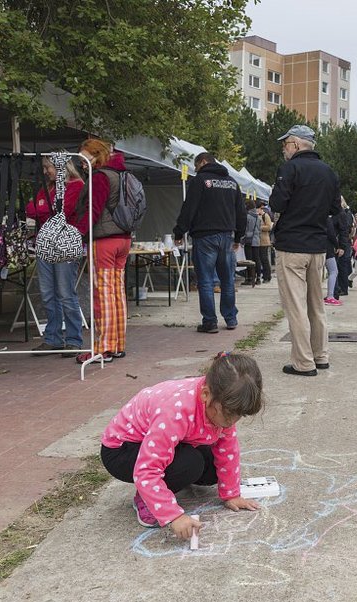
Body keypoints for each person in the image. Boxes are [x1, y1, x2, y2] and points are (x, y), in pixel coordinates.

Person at [99, 351, 263, 537]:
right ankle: (145, 499)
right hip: (122, 450)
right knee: (190, 464)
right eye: (227, 416)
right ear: (205, 395)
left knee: (210, 471)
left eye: (238, 416)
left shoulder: (220, 398)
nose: (231, 422)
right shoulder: (175, 410)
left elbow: (227, 449)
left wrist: (231, 494)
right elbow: (146, 469)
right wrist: (173, 515)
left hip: (160, 441)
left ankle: (169, 481)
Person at [269, 124, 341, 376]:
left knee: (296, 306)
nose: (284, 149)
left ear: (297, 145)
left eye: (286, 144)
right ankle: (321, 355)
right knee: (316, 305)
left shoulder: (291, 169)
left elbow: (277, 202)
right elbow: (335, 209)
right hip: (318, 247)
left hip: (292, 245)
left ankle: (303, 362)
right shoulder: (328, 172)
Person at [174, 152, 246, 334]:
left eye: (196, 166)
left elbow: (189, 207)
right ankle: (231, 318)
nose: (196, 170)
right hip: (227, 236)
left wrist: (179, 231)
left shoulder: (200, 181)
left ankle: (210, 322)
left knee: (206, 281)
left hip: (205, 237)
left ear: (203, 162)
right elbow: (241, 212)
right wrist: (238, 237)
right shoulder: (231, 182)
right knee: (227, 280)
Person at [77, 138, 133, 364]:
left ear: (95, 155)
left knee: (102, 295)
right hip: (123, 237)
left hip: (104, 239)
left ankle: (103, 347)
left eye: (84, 157)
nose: (82, 162)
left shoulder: (100, 177)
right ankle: (117, 343)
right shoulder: (121, 173)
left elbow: (93, 210)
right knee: (117, 293)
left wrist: (78, 233)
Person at [27, 156, 86, 357]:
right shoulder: (49, 188)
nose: (46, 171)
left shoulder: (77, 186)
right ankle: (53, 338)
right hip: (45, 243)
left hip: (65, 244)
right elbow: (32, 209)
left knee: (65, 293)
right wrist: (43, 208)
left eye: (48, 167)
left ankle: (73, 339)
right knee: (47, 293)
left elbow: (60, 211)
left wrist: (43, 207)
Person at [335, 199, 354, 297]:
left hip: (343, 242)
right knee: (342, 266)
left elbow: (345, 229)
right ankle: (341, 287)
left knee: (342, 266)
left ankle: (343, 288)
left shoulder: (345, 213)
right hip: (344, 242)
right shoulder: (347, 213)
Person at [324, 213, 342, 306]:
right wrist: (337, 245)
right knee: (333, 271)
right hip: (327, 247)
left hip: (313, 246)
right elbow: (331, 233)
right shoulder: (326, 217)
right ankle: (330, 296)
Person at [242, 199, 261, 283]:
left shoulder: (248, 217)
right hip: (257, 240)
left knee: (249, 260)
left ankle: (249, 278)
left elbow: (246, 229)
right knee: (256, 259)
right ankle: (258, 277)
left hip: (249, 240)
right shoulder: (258, 217)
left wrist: (242, 239)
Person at [256, 201, 273, 282]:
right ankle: (264, 275)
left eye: (257, 209)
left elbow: (269, 227)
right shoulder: (256, 216)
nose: (257, 211)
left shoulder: (265, 216)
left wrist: (260, 227)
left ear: (260, 208)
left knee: (264, 259)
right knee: (260, 259)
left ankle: (267, 275)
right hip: (257, 241)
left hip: (264, 241)